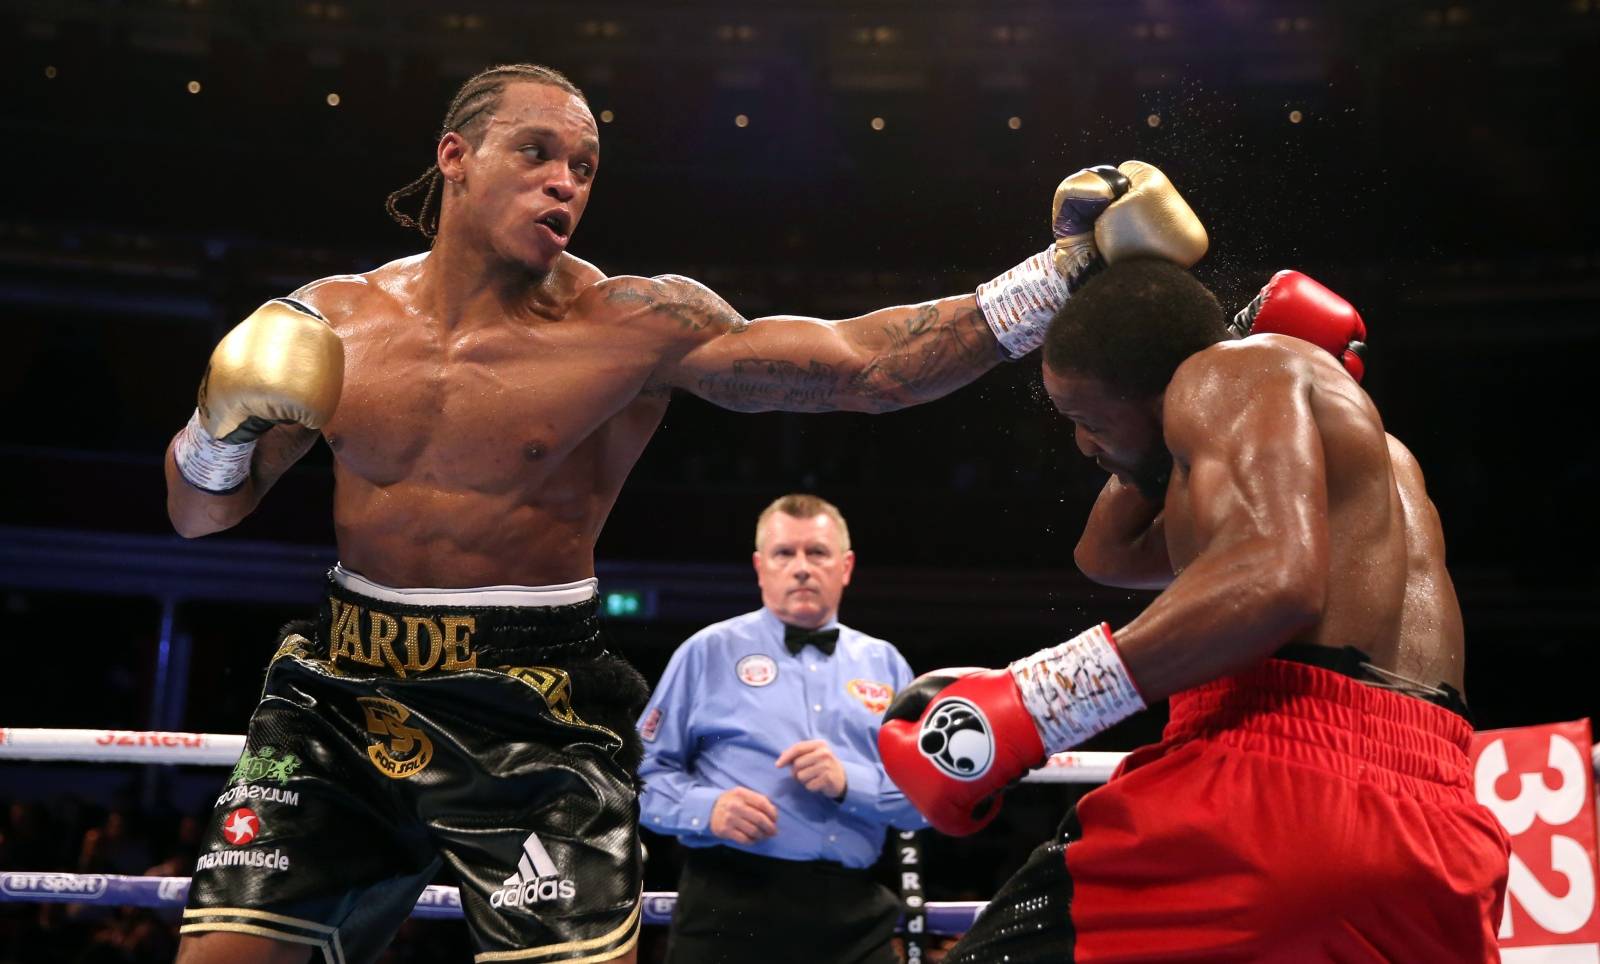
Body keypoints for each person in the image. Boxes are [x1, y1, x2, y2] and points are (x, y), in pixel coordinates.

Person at [163, 62, 1207, 964]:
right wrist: (217, 430)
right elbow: (201, 520)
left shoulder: (631, 325)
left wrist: (1064, 271)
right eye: (536, 153)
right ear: (456, 156)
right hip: (341, 688)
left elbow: (864, 369)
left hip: (536, 708)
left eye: (582, 167)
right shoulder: (326, 322)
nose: (564, 182)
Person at [880, 259, 1512, 961]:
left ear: (1169, 389)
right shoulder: (1368, 463)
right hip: (1443, 835)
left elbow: (1275, 583)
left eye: (1086, 418)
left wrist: (1039, 703)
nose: (1084, 444)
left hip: (1273, 797)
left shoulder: (1231, 373)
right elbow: (1107, 554)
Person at [636, 494, 922, 964]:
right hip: (727, 904)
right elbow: (636, 776)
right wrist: (706, 808)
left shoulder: (886, 663)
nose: (802, 567)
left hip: (855, 912)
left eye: (818, 553)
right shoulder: (707, 651)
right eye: (785, 553)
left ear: (845, 566)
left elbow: (928, 800)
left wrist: (852, 782)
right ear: (760, 566)